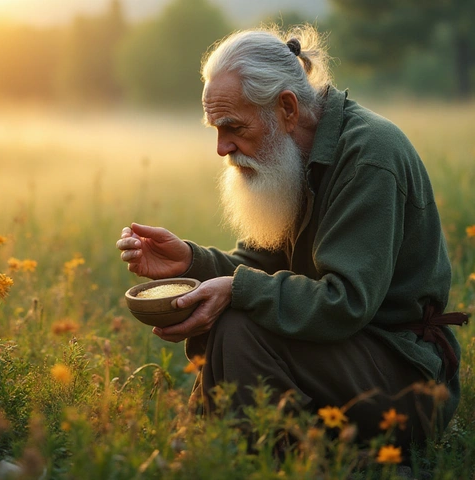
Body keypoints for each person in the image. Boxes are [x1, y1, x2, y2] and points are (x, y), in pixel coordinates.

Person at [115, 25, 468, 458]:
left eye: (233, 127)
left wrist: (237, 290)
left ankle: (280, 460)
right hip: (343, 358)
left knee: (240, 326)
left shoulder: (370, 155)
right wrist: (189, 261)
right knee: (238, 317)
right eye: (215, 128)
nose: (222, 148)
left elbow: (345, 303)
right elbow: (259, 265)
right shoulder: (296, 154)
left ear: (286, 107)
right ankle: (232, 453)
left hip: (406, 376)